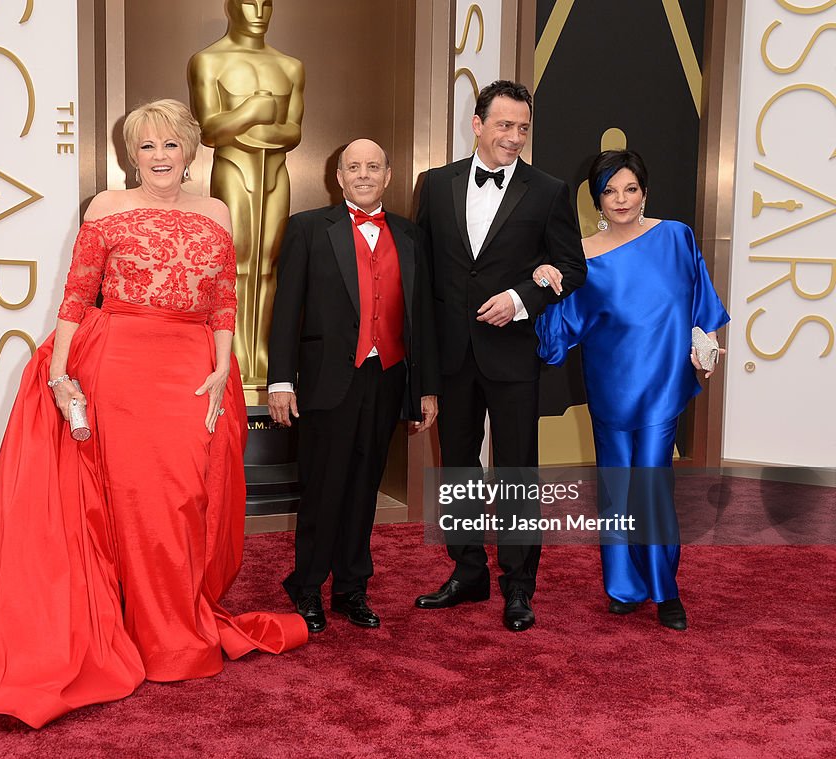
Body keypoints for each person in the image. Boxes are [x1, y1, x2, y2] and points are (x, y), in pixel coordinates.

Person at [0, 99, 307, 729]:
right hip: (120, 363)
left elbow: (226, 300)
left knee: (180, 499)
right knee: (124, 499)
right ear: (132, 155)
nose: (158, 158)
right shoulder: (106, 207)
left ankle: (172, 631)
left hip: (193, 367)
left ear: (190, 150)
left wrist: (222, 366)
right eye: (145, 147)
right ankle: (134, 629)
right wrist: (62, 372)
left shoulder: (215, 211)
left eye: (169, 145)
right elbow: (77, 291)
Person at [414, 80, 586, 631]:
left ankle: (518, 585)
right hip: (452, 356)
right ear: (477, 124)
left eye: (522, 129)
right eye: (504, 126)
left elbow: (572, 268)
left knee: (515, 470)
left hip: (513, 356)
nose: (514, 138)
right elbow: (423, 279)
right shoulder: (435, 186)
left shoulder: (549, 190)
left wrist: (520, 300)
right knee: (458, 468)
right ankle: (467, 572)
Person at [533, 149, 729, 631]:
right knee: (616, 486)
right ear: (596, 199)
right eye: (609, 191)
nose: (620, 200)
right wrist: (545, 283)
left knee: (652, 484)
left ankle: (665, 590)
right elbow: (560, 330)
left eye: (630, 189)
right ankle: (624, 587)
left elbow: (701, 301)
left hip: (662, 383)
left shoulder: (676, 237)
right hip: (609, 384)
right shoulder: (579, 255)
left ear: (644, 192)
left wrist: (708, 341)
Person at [267, 139, 439, 633]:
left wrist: (425, 387)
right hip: (326, 380)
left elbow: (420, 318)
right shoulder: (307, 228)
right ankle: (306, 585)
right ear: (338, 176)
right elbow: (286, 312)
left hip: (386, 379)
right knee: (324, 488)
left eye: (373, 166)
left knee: (365, 488)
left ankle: (350, 588)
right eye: (353, 167)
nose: (363, 174)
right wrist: (281, 379)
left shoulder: (409, 235)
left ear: (387, 176)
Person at [188, 0, 306, 386]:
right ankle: (234, 351)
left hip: (276, 172)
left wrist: (242, 127)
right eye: (249, 2)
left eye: (266, 3)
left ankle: (263, 350)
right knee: (233, 263)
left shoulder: (289, 66)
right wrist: (253, 112)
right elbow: (208, 130)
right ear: (230, 6)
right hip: (233, 171)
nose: (258, 11)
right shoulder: (207, 61)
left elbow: (292, 132)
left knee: (269, 263)